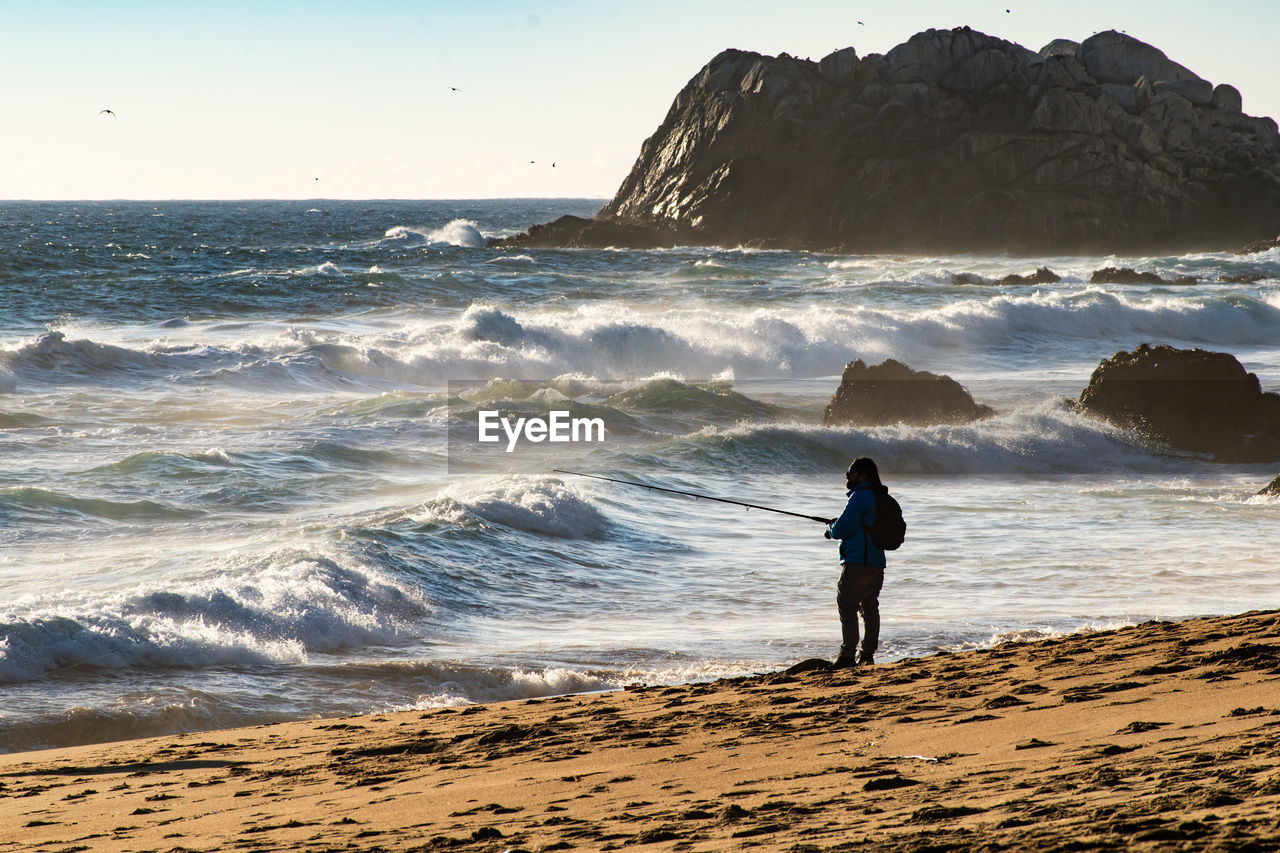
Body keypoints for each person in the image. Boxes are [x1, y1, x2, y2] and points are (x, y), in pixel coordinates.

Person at [824, 457, 886, 668]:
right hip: (877, 562)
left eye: (850, 471)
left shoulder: (860, 496)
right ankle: (867, 654)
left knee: (847, 604)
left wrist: (831, 529)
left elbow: (843, 528)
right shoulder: (878, 496)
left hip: (858, 561)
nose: (847, 474)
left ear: (862, 475)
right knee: (869, 607)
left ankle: (847, 655)